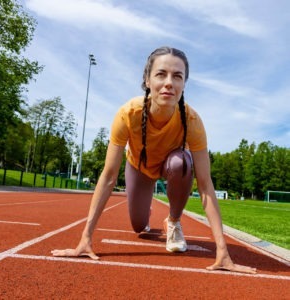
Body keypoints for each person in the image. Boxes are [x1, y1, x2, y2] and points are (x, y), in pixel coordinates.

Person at [52, 46, 256, 274]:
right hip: (139, 168)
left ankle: (173, 221)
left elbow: (206, 185)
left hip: (172, 166)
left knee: (181, 162)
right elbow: (109, 176)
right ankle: (144, 209)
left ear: (184, 84)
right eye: (161, 74)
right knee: (139, 226)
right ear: (147, 81)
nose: (169, 82)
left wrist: (223, 252)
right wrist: (85, 238)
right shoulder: (128, 114)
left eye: (177, 76)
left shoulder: (192, 121)